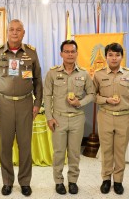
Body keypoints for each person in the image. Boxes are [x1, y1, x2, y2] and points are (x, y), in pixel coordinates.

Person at [0, 19, 43, 197]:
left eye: (19, 30)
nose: (15, 33)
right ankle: (7, 182)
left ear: (23, 33)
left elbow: (38, 81)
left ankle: (25, 182)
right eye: (12, 30)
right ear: (7, 32)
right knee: (5, 146)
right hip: (4, 105)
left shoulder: (31, 54)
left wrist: (36, 104)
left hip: (26, 104)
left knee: (25, 145)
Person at [44, 40, 95, 195]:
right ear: (61, 54)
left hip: (77, 118)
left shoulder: (84, 73)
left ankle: (73, 181)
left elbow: (92, 94)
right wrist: (49, 117)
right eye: (66, 51)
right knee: (59, 153)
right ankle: (58, 182)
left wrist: (80, 102)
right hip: (58, 118)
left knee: (74, 152)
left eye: (72, 51)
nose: (70, 54)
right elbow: (47, 96)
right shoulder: (52, 73)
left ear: (77, 53)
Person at [93, 43, 129, 195]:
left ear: (121, 57)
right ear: (106, 56)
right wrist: (106, 100)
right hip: (105, 115)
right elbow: (93, 96)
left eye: (117, 55)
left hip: (124, 118)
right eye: (111, 55)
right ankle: (106, 180)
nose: (114, 58)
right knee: (107, 151)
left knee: (120, 152)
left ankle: (118, 181)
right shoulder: (98, 74)